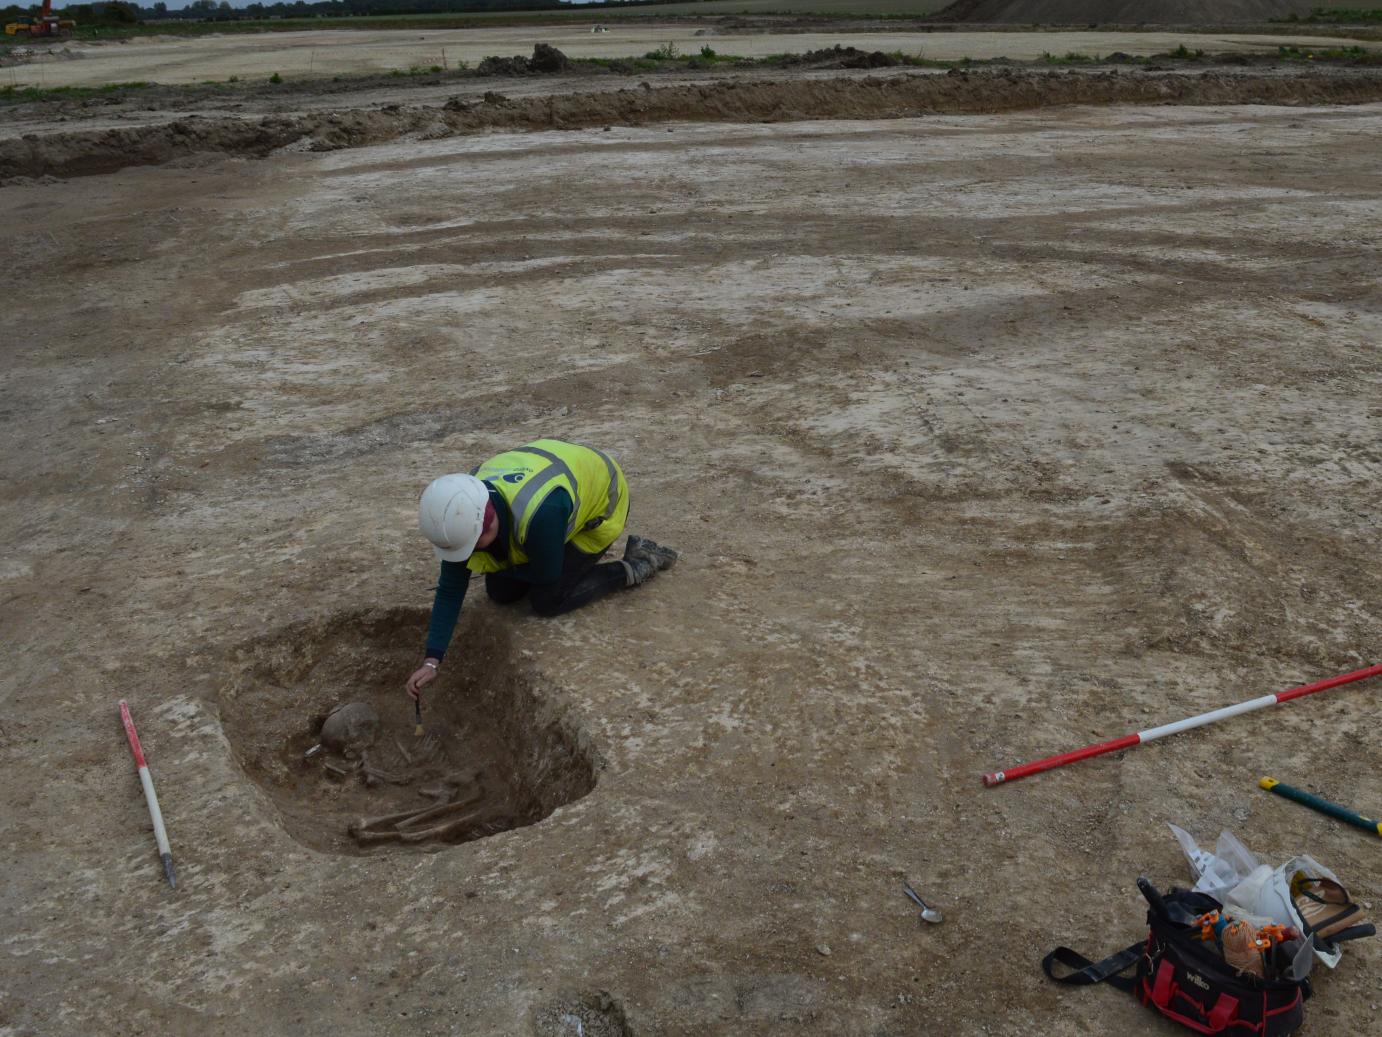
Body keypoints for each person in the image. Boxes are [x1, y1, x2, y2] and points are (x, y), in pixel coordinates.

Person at [404, 438, 677, 699]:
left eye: (474, 544)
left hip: (601, 504)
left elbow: (546, 574)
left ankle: (636, 564)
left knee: (548, 599)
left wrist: (503, 566)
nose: (471, 552)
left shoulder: (542, 513)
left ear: (487, 521)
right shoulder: (461, 509)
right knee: (501, 593)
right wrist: (432, 661)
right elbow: (451, 589)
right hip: (559, 474)